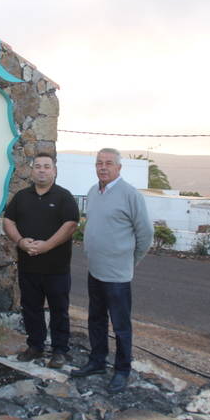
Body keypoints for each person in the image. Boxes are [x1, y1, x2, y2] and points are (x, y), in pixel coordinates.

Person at [70, 148, 154, 393]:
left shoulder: (131, 195)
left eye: (108, 163)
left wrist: (129, 261)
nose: (102, 167)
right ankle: (97, 361)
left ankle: (122, 370)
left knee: (120, 325)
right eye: (99, 163)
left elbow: (145, 235)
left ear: (119, 167)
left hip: (117, 275)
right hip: (95, 270)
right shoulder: (93, 192)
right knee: (95, 319)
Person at [3, 152, 80, 368]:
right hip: (29, 266)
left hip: (57, 268)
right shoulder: (21, 196)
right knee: (31, 308)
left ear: (54, 171)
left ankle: (59, 350)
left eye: (47, 166)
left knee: (59, 310)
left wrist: (47, 246)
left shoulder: (64, 197)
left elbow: (71, 225)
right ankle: (35, 346)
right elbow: (8, 220)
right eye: (38, 166)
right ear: (31, 170)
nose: (42, 170)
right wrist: (20, 241)